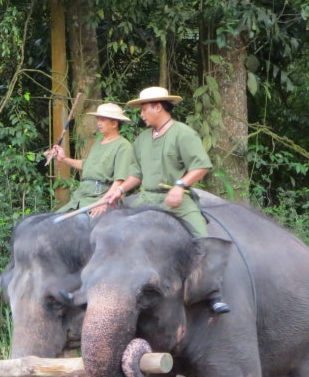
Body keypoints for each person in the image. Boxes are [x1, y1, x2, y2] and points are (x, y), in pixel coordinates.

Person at [102, 86, 230, 313]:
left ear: (157, 107)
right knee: (112, 230)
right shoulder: (141, 139)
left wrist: (180, 186)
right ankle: (109, 291)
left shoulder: (183, 133)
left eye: (143, 109)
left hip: (177, 199)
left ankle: (212, 293)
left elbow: (201, 166)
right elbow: (135, 175)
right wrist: (119, 190)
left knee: (202, 238)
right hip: (146, 199)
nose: (141, 114)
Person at [46, 102, 134, 217]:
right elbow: (86, 165)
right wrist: (64, 159)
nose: (99, 123)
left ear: (114, 123)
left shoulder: (123, 146)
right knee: (52, 221)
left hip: (102, 197)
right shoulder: (98, 142)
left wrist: (104, 202)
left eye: (103, 120)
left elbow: (120, 181)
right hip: (81, 196)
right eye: (98, 119)